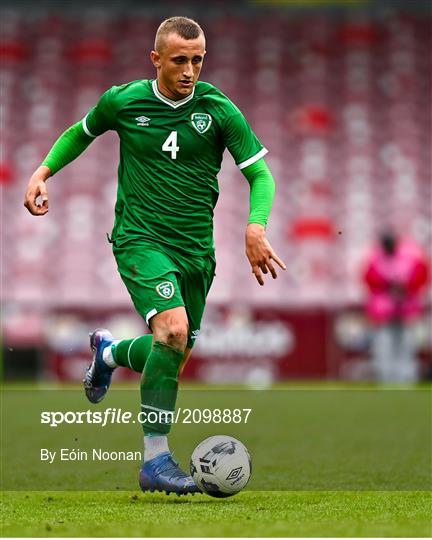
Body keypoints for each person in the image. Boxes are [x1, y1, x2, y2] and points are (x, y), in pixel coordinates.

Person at [24, 16, 285, 495]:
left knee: (173, 351)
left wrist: (255, 224)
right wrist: (43, 171)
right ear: (157, 59)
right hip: (140, 238)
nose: (190, 70)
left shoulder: (219, 110)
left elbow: (261, 176)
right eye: (180, 60)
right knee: (172, 330)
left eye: (198, 60)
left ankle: (109, 353)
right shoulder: (123, 101)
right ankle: (155, 460)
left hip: (195, 253)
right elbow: (80, 132)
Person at [363, 231, 429, 383]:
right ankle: (386, 378)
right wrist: (388, 286)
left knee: (406, 345)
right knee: (384, 344)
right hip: (384, 312)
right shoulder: (376, 259)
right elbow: (369, 279)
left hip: (406, 309)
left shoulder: (409, 257)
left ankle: (406, 378)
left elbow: (422, 276)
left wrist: (405, 287)